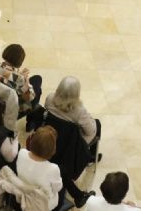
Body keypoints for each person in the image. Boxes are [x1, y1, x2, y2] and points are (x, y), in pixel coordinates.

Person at [45, 77, 99, 207]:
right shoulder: (79, 111)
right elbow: (91, 131)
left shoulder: (50, 98)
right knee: (98, 124)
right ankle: (89, 156)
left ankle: (78, 194)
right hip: (69, 146)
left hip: (50, 137)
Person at [16, 126, 64, 210]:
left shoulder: (21, 153)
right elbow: (57, 188)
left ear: (32, 141)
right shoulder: (53, 168)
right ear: (52, 149)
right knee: (63, 189)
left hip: (23, 197)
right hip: (42, 206)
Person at [0, 44, 42, 116]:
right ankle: (33, 114)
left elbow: (6, 76)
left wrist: (19, 75)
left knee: (35, 80)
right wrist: (25, 79)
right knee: (37, 80)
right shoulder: (19, 79)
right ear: (19, 61)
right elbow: (30, 97)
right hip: (9, 109)